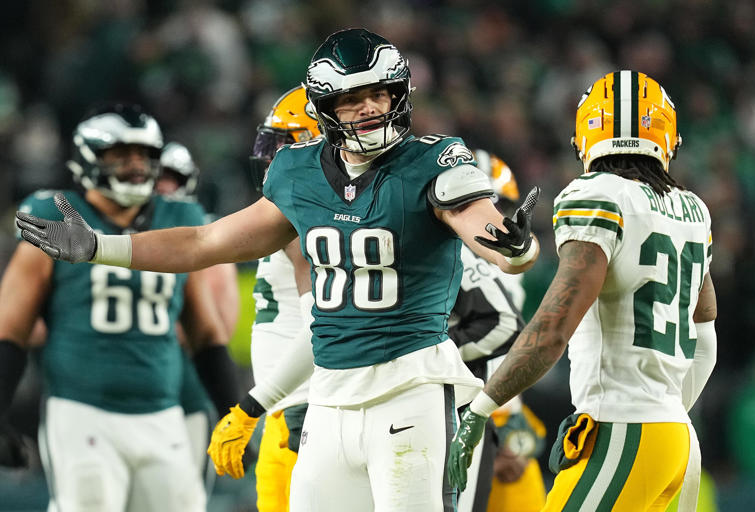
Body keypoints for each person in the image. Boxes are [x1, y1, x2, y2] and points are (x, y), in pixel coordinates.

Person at [15, 29, 542, 512]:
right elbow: (205, 242)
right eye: (351, 99)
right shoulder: (298, 170)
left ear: (398, 95)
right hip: (330, 399)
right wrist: (100, 248)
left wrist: (514, 250)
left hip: (410, 391)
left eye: (378, 94)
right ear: (326, 108)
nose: (369, 109)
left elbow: (485, 229)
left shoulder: (437, 161)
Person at [447, 70, 718, 512]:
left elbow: (554, 327)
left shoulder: (595, 194)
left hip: (623, 430)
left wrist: (480, 408)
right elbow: (705, 333)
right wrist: (669, 409)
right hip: (677, 440)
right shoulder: (692, 208)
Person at [0, 102, 242, 511]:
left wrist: (230, 414)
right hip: (81, 409)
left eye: (145, 155)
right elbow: (11, 328)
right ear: (88, 158)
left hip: (162, 413)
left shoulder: (179, 216)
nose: (136, 165)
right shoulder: (52, 216)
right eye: (121, 154)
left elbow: (206, 333)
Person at [453, 150, 547, 512]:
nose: (489, 223)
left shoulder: (505, 262)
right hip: (469, 408)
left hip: (495, 406)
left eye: (497, 207)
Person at [247, 85, 319, 512]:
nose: (271, 160)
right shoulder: (291, 211)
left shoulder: (303, 219)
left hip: (300, 410)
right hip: (287, 408)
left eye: (283, 147)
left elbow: (321, 324)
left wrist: (279, 402)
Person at [156, 140, 241, 489]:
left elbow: (218, 328)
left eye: (171, 178)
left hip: (186, 391)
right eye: (157, 176)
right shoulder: (110, 231)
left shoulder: (206, 235)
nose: (163, 186)